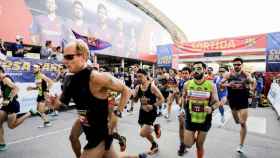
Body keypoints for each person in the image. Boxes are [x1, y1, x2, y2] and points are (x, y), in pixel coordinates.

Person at [48, 39, 148, 158]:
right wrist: (54, 103)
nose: (65, 61)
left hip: (101, 132)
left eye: (69, 57)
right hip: (84, 119)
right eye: (64, 57)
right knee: (73, 138)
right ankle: (141, 157)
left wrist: (117, 114)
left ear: (83, 56)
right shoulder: (69, 79)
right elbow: (61, 104)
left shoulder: (97, 77)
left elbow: (126, 90)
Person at [182, 61, 219, 158]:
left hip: (205, 119)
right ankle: (192, 136)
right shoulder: (187, 84)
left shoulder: (211, 85)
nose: (195, 71)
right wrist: (182, 109)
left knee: (199, 145)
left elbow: (217, 102)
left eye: (198, 69)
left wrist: (211, 108)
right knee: (188, 144)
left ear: (204, 70)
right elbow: (183, 97)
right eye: (194, 69)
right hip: (190, 118)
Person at [220, 57, 254, 153]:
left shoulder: (246, 74)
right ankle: (239, 121)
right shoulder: (228, 74)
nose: (236, 66)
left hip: (243, 100)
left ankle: (241, 144)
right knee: (237, 121)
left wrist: (250, 84)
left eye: (238, 64)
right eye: (235, 64)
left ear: (241, 65)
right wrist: (228, 85)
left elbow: (252, 82)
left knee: (243, 123)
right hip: (232, 101)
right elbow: (220, 85)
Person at [132, 69, 164, 154]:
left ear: (146, 76)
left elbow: (162, 99)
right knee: (145, 132)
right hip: (142, 112)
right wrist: (132, 95)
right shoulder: (138, 87)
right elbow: (135, 100)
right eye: (137, 77)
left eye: (140, 76)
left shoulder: (152, 87)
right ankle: (154, 144)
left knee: (142, 133)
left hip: (151, 112)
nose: (138, 78)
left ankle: (155, 128)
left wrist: (153, 106)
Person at [0, 66, 32, 151]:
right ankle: (2, 144)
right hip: (5, 105)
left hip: (12, 105)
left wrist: (8, 99)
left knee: (11, 126)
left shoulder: (5, 79)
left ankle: (29, 113)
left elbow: (16, 88)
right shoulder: (1, 81)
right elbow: (5, 93)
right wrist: (3, 97)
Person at [177, 66, 192, 156]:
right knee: (181, 126)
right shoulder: (181, 82)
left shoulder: (193, 82)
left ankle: (188, 141)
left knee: (190, 128)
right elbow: (181, 94)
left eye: (186, 73)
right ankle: (182, 145)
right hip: (184, 107)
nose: (184, 75)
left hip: (194, 108)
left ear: (190, 74)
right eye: (183, 73)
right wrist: (180, 100)